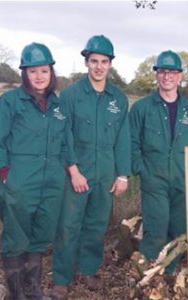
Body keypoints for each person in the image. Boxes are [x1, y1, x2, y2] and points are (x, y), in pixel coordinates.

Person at [51, 35, 131, 299]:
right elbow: (64, 136)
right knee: (68, 225)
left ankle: (87, 269)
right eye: (94, 61)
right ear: (86, 63)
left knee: (96, 226)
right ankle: (62, 278)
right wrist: (73, 171)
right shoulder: (71, 95)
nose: (99, 66)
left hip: (105, 173)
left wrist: (122, 175)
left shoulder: (118, 99)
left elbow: (123, 138)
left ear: (110, 65)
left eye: (104, 61)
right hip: (78, 171)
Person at [0, 42, 67, 299]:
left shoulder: (57, 105)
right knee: (16, 236)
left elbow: (65, 142)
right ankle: (17, 293)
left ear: (51, 72)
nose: (39, 76)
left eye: (44, 70)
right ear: (24, 73)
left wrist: (62, 170)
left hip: (51, 182)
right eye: (33, 71)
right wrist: (6, 174)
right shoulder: (10, 102)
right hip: (20, 182)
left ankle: (33, 291)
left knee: (41, 236)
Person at [129, 50, 188, 273]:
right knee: (156, 228)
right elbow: (131, 143)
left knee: (179, 229)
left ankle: (168, 273)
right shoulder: (142, 108)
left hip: (182, 181)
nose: (167, 76)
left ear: (180, 76)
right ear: (157, 75)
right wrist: (142, 170)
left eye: (172, 72)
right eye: (162, 71)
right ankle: (146, 275)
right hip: (155, 179)